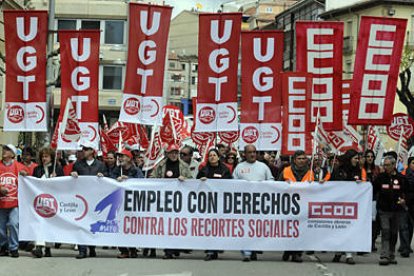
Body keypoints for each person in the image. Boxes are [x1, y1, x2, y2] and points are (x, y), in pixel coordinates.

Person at [151, 144, 193, 259]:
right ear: (167, 154)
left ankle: (175, 248)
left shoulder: (184, 166)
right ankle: (168, 251)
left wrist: (185, 179)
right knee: (167, 225)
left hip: (179, 201)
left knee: (177, 225)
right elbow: (152, 178)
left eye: (176, 153)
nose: (174, 155)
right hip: (164, 201)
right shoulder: (160, 165)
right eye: (172, 153)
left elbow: (191, 181)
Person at [233, 144, 273, 262]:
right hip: (243, 204)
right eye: (249, 152)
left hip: (260, 203)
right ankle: (247, 252)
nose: (252, 154)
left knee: (257, 228)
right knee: (245, 227)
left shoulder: (263, 167)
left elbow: (271, 180)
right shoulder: (239, 167)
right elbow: (232, 183)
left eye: (254, 152)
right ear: (244, 154)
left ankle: (254, 249)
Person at [71, 141, 106, 259]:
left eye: (86, 149)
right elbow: (73, 179)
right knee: (81, 223)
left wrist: (103, 176)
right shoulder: (78, 164)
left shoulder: (100, 165)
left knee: (92, 224)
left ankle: (92, 247)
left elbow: (107, 180)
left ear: (92, 151)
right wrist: (73, 174)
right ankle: (82, 249)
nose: (83, 151)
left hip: (95, 198)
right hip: (81, 199)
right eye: (83, 149)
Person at [331, 149, 366, 265]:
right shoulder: (338, 171)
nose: (357, 160)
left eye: (358, 158)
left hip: (352, 205)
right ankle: (337, 252)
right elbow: (331, 185)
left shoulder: (358, 171)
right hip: (339, 204)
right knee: (338, 229)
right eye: (355, 158)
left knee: (350, 229)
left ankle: (349, 254)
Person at [197, 148, 232, 261]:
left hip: (220, 202)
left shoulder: (224, 169)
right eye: (210, 155)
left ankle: (216, 248)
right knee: (209, 227)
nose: (212, 157)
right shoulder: (204, 169)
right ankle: (210, 251)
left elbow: (229, 183)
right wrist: (201, 180)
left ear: (218, 157)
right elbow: (195, 183)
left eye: (214, 155)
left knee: (218, 227)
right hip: (207, 203)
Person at [278, 150, 313, 263]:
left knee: (302, 230)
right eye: (299, 159)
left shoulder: (311, 172)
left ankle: (296, 253)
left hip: (304, 205)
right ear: (294, 160)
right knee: (289, 229)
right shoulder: (286, 171)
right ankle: (288, 250)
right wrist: (284, 184)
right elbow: (277, 186)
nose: (302, 161)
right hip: (289, 205)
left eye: (304, 158)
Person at [31, 147, 64, 258]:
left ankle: (48, 248)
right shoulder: (37, 169)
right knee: (39, 223)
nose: (44, 158)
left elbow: (64, 184)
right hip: (40, 201)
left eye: (46, 156)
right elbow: (32, 183)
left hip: (53, 201)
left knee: (50, 224)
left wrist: (56, 178)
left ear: (51, 157)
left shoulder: (58, 169)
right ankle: (39, 247)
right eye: (42, 157)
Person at [373, 156, 407, 265]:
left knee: (393, 233)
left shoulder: (401, 178)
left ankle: (391, 254)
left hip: (397, 210)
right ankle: (384, 255)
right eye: (384, 165)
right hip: (383, 210)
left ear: (393, 165)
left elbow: (407, 191)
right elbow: (373, 189)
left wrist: (404, 200)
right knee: (386, 231)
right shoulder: (380, 177)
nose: (385, 167)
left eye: (388, 165)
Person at [112, 149, 143, 258]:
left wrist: (129, 179)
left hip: (132, 204)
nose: (120, 158)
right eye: (119, 156)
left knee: (132, 226)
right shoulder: (117, 170)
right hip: (119, 203)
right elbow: (110, 180)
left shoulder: (136, 170)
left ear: (129, 159)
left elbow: (142, 183)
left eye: (122, 156)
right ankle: (123, 250)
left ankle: (133, 249)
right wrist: (116, 179)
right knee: (119, 225)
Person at [0, 144, 26, 258]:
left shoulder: (18, 166)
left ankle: (14, 247)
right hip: (1, 202)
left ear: (12, 154)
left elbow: (29, 180)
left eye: (7, 150)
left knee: (14, 224)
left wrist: (26, 174)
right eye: (3, 149)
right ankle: (3, 246)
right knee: (1, 227)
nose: (4, 151)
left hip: (14, 202)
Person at [364, 149, 382, 252]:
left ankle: (372, 242)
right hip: (364, 199)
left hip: (374, 198)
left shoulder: (377, 169)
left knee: (374, 221)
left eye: (372, 156)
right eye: (368, 156)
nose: (370, 158)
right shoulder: (361, 169)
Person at [399, 156, 414, 258]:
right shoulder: (404, 174)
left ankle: (406, 245)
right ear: (409, 164)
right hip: (405, 203)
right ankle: (405, 247)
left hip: (413, 204)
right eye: (413, 163)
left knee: (410, 226)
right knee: (404, 226)